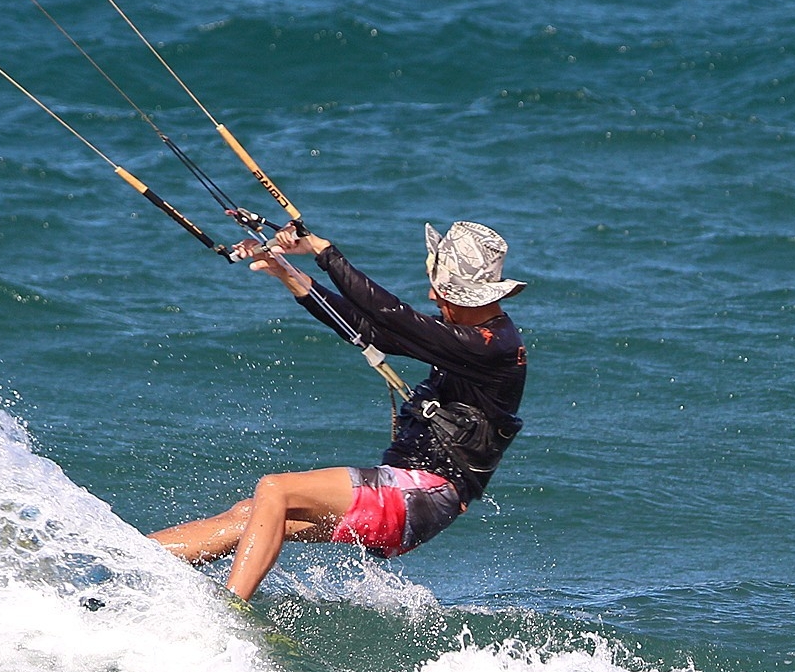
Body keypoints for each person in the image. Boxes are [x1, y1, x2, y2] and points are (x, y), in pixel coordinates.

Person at [148, 220, 528, 600]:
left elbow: (392, 315)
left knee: (275, 489)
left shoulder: (490, 347)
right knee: (252, 515)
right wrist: (291, 276)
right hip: (407, 491)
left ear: (470, 296)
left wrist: (323, 251)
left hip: (420, 496)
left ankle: (231, 608)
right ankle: (133, 559)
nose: (431, 295)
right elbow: (370, 330)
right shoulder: (472, 338)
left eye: (441, 290)